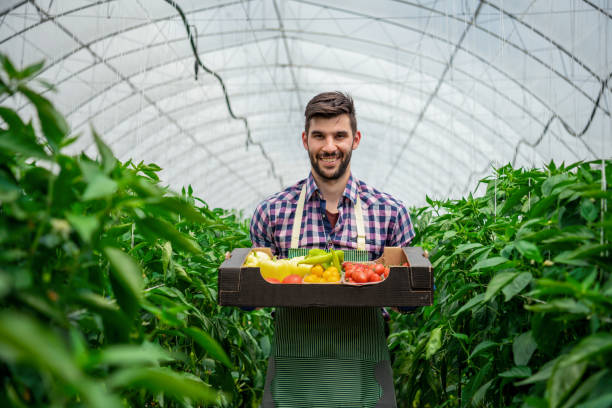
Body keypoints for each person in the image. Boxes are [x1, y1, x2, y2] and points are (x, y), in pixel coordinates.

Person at [250, 91, 415, 407]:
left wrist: (414, 281)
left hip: (365, 382)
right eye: (319, 136)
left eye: (339, 135)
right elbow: (251, 298)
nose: (329, 146)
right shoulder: (271, 213)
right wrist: (240, 281)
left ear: (356, 139)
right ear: (305, 140)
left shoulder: (391, 212)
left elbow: (407, 304)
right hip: (292, 383)